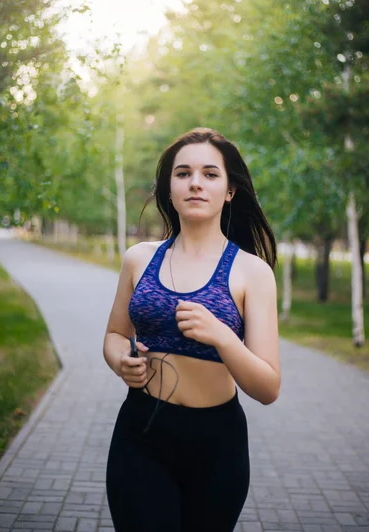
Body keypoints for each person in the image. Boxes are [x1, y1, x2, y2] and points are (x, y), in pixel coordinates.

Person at [103, 127, 281, 532]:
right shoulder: (139, 259)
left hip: (218, 445)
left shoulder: (252, 272)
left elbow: (268, 388)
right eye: (183, 173)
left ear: (230, 190)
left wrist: (220, 335)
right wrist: (120, 361)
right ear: (169, 187)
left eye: (210, 174)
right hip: (141, 432)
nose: (195, 183)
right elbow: (115, 335)